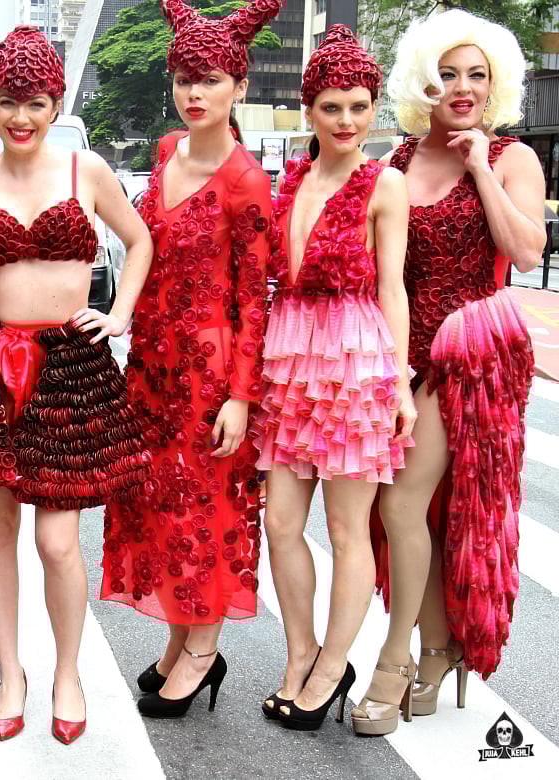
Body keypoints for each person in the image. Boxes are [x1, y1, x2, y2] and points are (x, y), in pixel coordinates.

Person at [0, 25, 153, 745]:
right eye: (10, 101)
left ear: (55, 102)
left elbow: (139, 240)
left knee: (57, 542)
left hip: (70, 367)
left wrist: (122, 313)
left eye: (37, 102)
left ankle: (66, 670)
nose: (22, 117)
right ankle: (10, 669)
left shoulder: (87, 171)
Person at [100, 0, 279, 721]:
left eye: (208, 79)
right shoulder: (166, 152)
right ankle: (182, 641)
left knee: (205, 508)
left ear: (238, 86)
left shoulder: (246, 182)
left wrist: (241, 397)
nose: (193, 92)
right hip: (151, 363)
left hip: (209, 373)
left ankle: (202, 653)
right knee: (157, 507)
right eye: (182, 79)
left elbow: (254, 300)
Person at [368, 8, 542, 727]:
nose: (462, 87)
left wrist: (479, 166)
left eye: (477, 74)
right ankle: (438, 648)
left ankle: (396, 660)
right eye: (448, 74)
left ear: (496, 83)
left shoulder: (513, 157)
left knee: (404, 504)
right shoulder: (397, 162)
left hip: (469, 351)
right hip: (399, 350)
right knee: (419, 517)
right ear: (423, 82)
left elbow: (526, 253)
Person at [253, 26, 414, 733]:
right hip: (290, 359)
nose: (348, 120)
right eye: (332, 107)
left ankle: (332, 666)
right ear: (307, 111)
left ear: (374, 107)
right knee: (282, 523)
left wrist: (402, 384)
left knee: (349, 530)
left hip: (354, 362)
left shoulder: (386, 183)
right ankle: (299, 654)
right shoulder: (290, 180)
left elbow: (394, 289)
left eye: (359, 105)